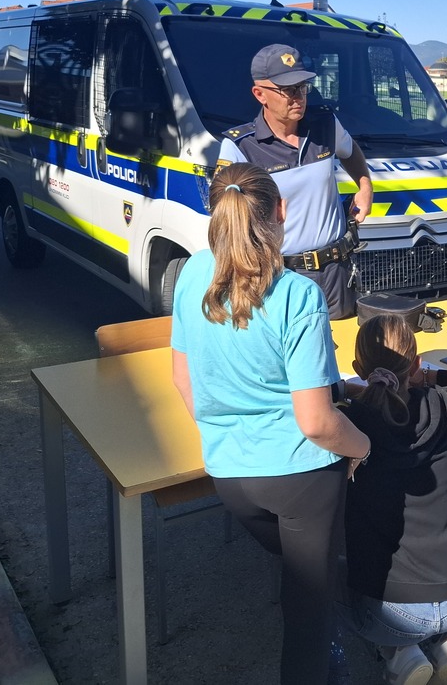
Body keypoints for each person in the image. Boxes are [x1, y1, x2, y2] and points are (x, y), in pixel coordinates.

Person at [169, 162, 371, 685]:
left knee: (302, 574)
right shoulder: (298, 295)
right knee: (307, 615)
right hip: (301, 480)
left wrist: (228, 434)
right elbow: (317, 421)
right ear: (281, 211)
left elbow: (184, 380)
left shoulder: (192, 274)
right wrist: (362, 447)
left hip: (230, 475)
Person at [338, 314, 447, 685]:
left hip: (394, 611)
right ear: (415, 365)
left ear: (358, 369)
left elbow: (309, 407)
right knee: (438, 603)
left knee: (326, 575)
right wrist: (432, 377)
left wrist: (346, 390)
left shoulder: (348, 424)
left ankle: (401, 654)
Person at [218, 43, 373, 320]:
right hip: (281, 277)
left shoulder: (325, 125)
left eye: (302, 87)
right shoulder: (240, 147)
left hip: (336, 273)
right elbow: (228, 217)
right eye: (287, 90)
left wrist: (365, 186)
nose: (298, 97)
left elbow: (350, 152)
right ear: (260, 94)